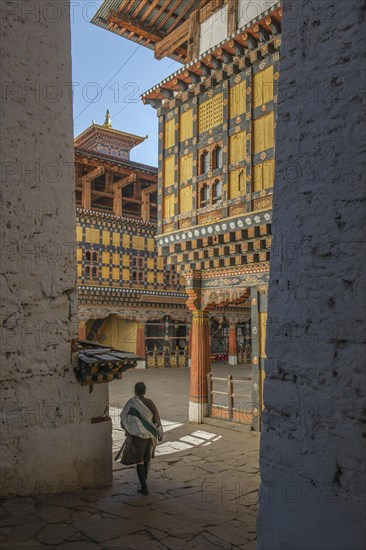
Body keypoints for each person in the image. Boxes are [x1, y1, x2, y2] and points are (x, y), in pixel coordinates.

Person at [117, 381, 163, 495]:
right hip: (150, 436)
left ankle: (144, 487)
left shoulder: (131, 403)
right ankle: (144, 481)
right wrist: (160, 433)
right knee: (147, 459)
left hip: (138, 437)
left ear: (135, 391)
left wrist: (129, 429)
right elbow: (157, 419)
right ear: (145, 391)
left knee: (140, 461)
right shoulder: (150, 402)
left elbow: (123, 418)